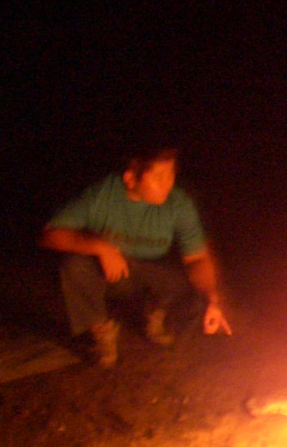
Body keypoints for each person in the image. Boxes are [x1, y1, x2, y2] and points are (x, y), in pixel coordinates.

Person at [41, 145, 231, 368]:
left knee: (188, 279)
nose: (167, 183)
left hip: (151, 275)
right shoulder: (102, 196)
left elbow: (197, 258)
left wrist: (212, 299)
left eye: (171, 174)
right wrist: (100, 247)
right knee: (74, 264)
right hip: (110, 275)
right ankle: (101, 328)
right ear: (131, 179)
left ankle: (154, 312)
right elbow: (49, 235)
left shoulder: (178, 203)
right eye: (158, 176)